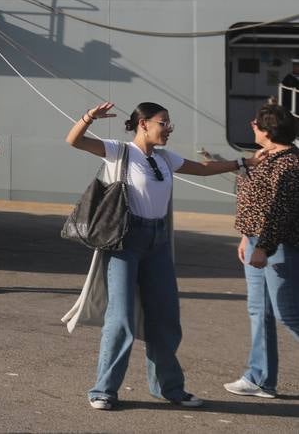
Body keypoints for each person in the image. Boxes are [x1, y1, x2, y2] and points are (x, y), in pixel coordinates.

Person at [64, 101, 254, 411]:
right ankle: (103, 390)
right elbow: (74, 141)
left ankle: (170, 389)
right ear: (143, 124)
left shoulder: (165, 158)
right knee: (121, 318)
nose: (168, 128)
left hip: (158, 242)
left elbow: (201, 169)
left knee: (166, 319)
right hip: (124, 241)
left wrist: (240, 163)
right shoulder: (118, 150)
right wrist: (88, 118)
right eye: (162, 123)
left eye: (168, 123)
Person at [224, 100, 299, 399]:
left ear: (268, 129)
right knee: (259, 310)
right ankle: (259, 378)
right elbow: (253, 203)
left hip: (277, 244)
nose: (252, 125)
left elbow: (281, 211)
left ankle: (260, 377)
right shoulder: (262, 157)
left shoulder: (290, 164)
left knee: (289, 314)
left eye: (256, 123)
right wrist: (246, 236)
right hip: (257, 240)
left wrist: (264, 247)